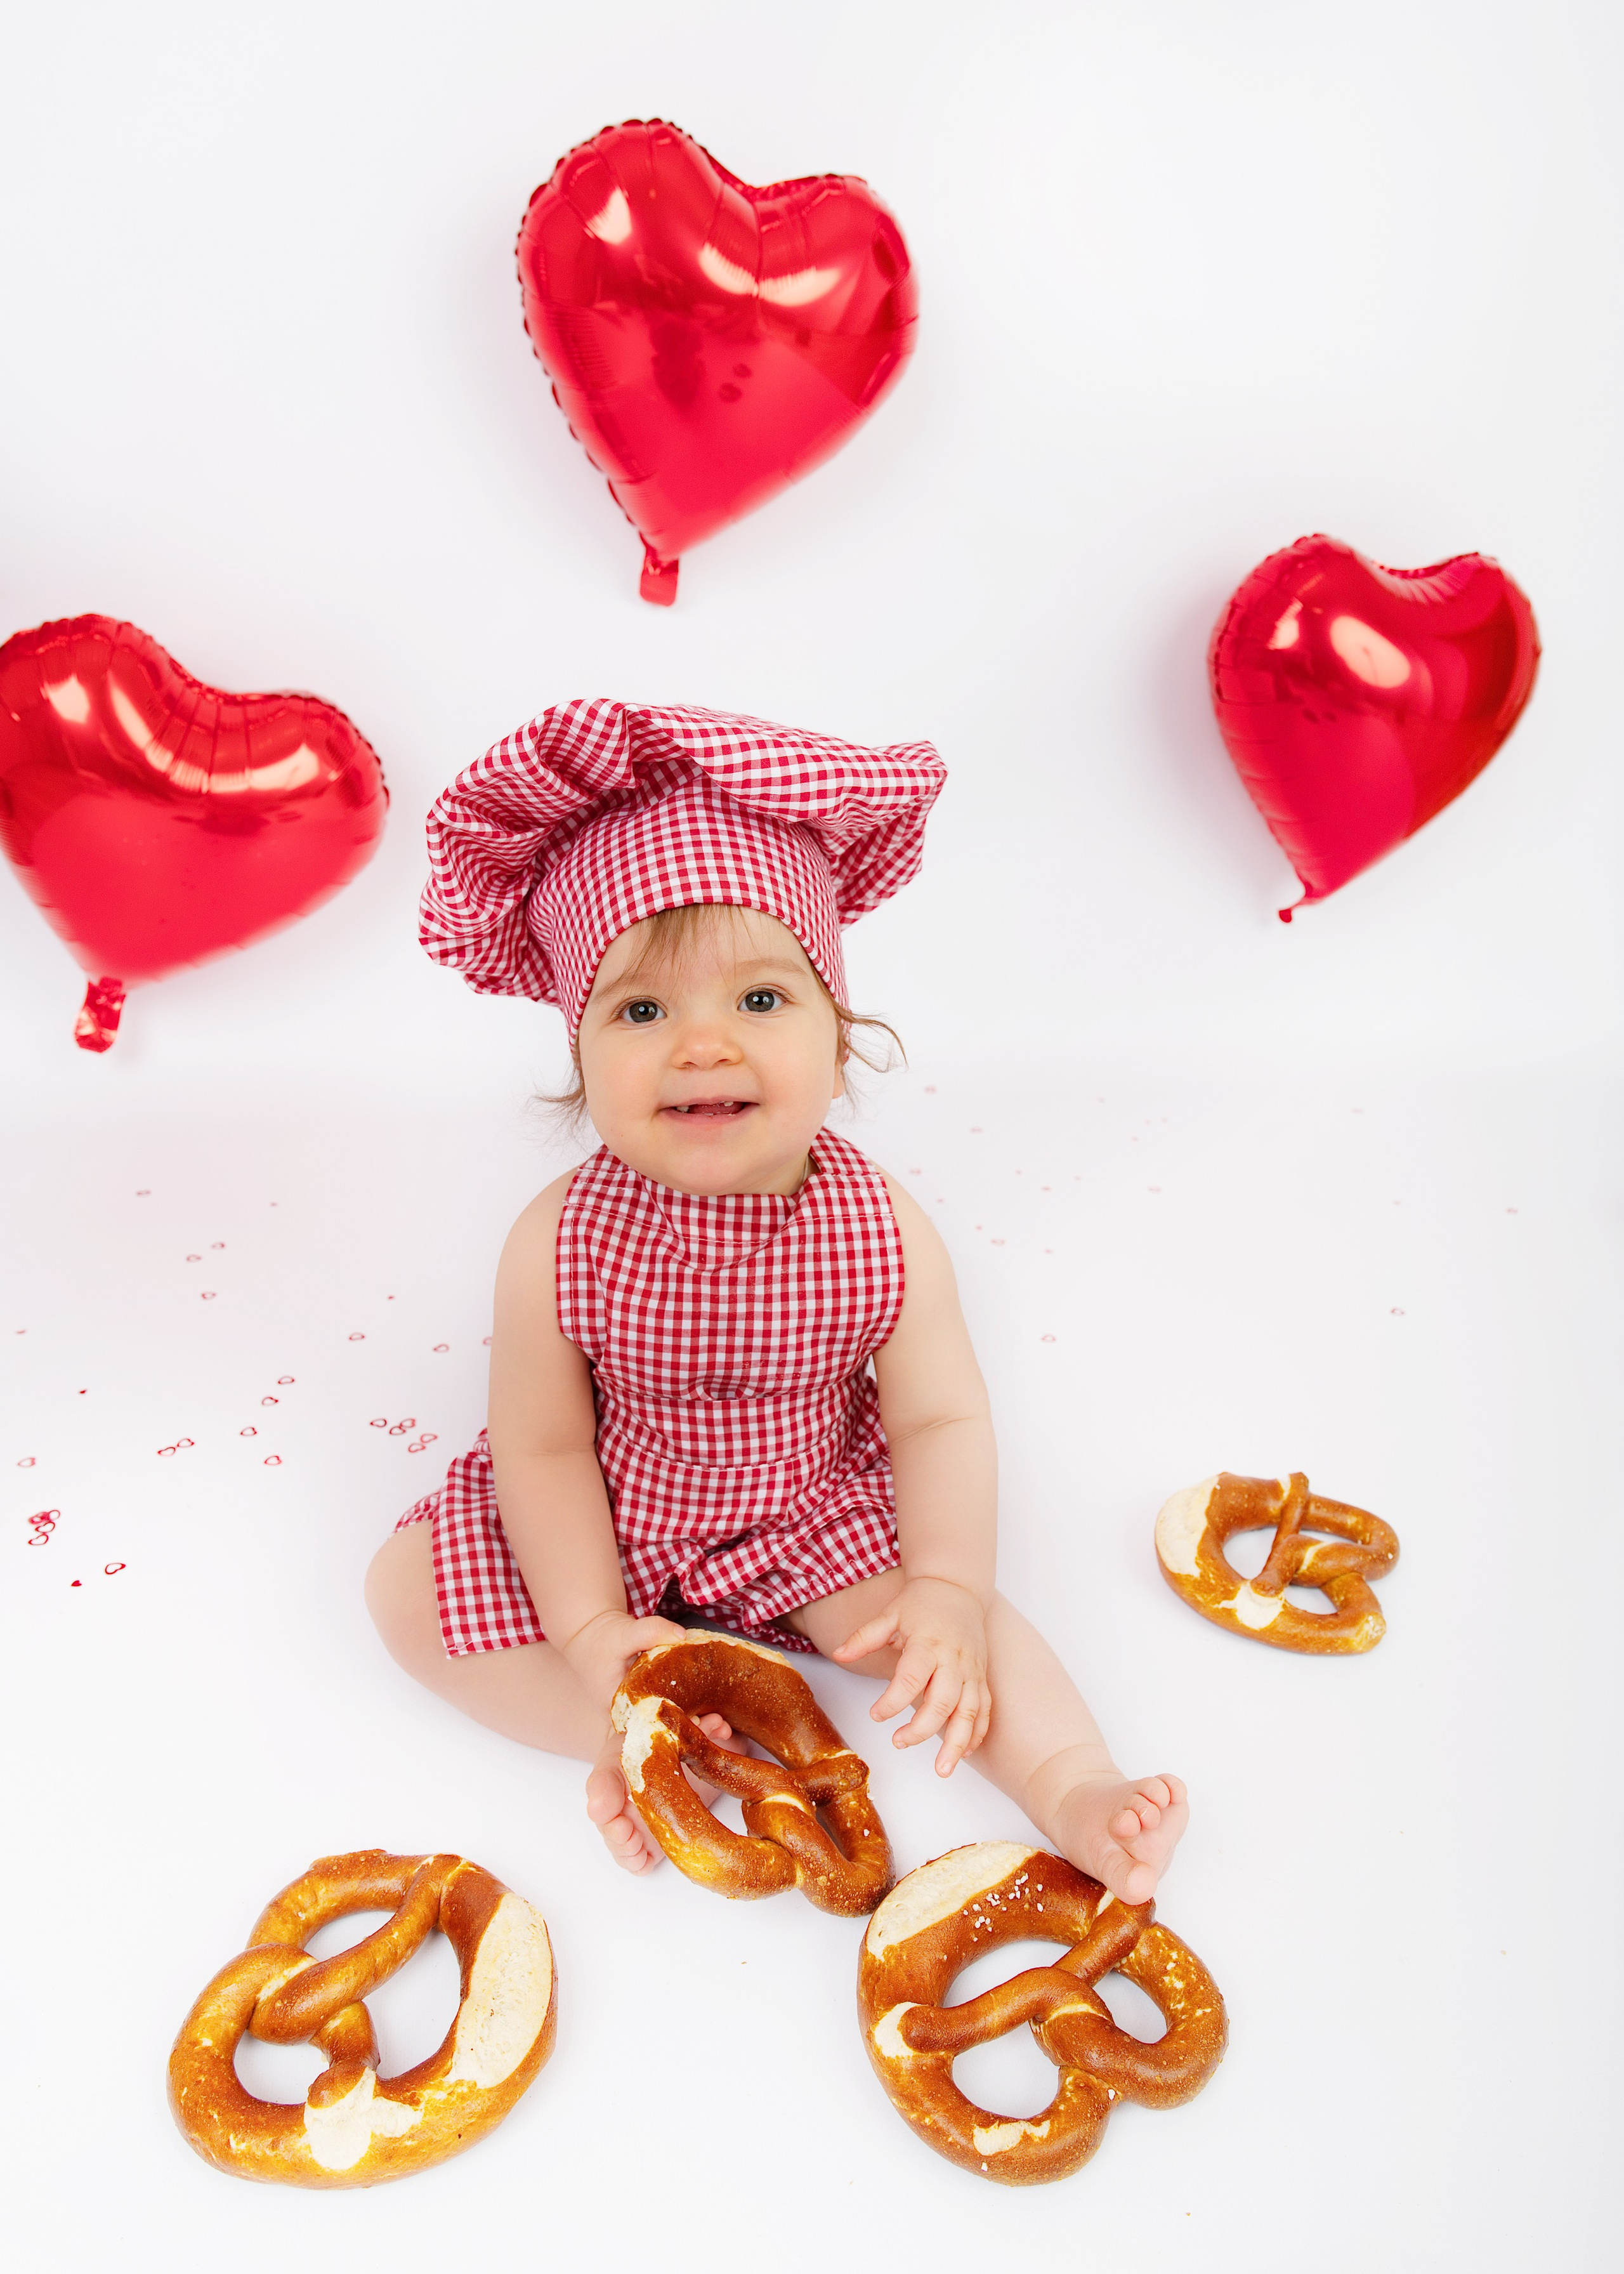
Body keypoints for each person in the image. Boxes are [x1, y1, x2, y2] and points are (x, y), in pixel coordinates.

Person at [366, 700, 1186, 1902]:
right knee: (403, 1597)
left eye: (760, 1001)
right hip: (619, 1498)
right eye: (642, 1011)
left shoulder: (880, 1226)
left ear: (839, 1036)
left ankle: (1074, 1782)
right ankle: (667, 1743)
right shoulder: (555, 1243)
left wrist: (949, 1588)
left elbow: (938, 1422)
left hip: (806, 1504)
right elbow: (543, 1446)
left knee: (955, 1632)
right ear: (578, 1054)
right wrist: (593, 1633)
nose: (703, 1045)